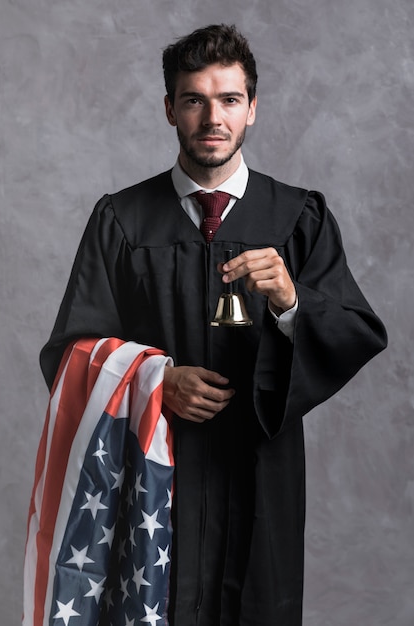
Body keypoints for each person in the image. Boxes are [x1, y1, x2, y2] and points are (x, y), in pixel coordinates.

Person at [39, 24, 387, 626]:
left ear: (252, 107)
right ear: (169, 107)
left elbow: (355, 330)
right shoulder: (121, 220)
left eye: (229, 99)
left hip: (259, 477)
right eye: (194, 99)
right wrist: (154, 380)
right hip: (152, 478)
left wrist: (290, 300)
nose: (212, 117)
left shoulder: (298, 216)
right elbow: (71, 351)